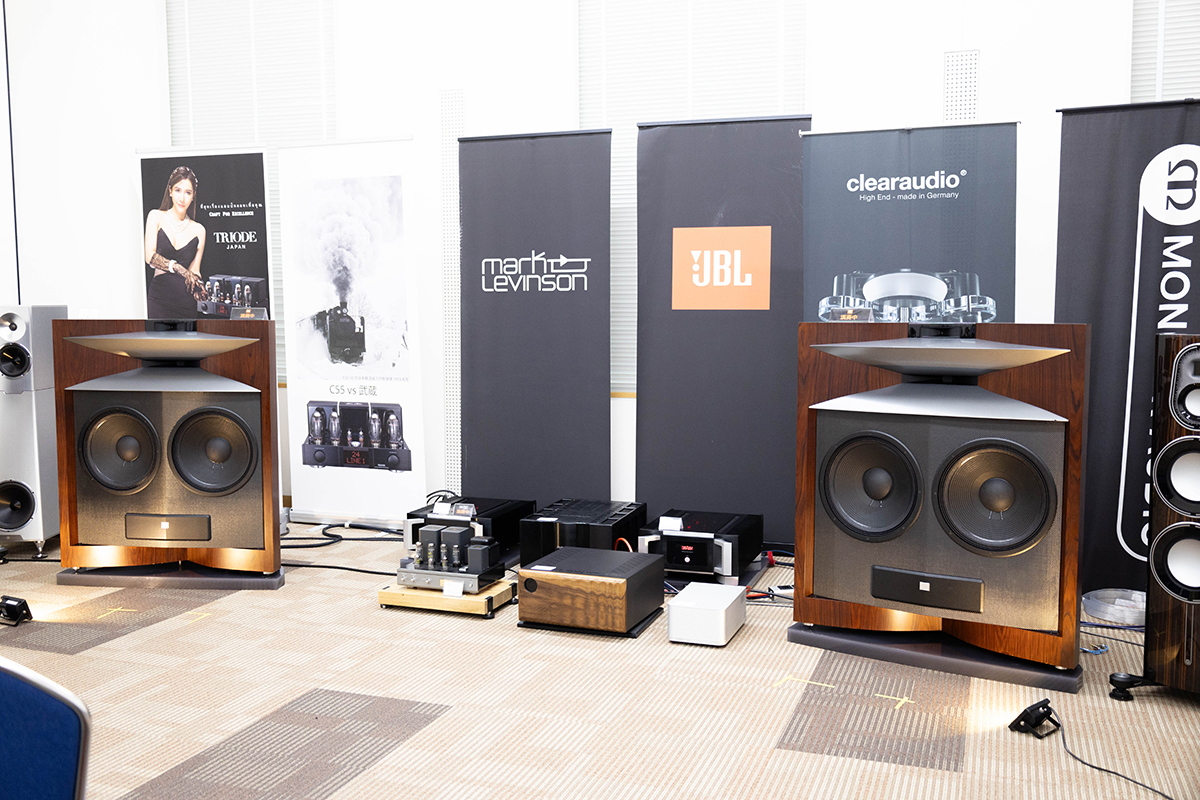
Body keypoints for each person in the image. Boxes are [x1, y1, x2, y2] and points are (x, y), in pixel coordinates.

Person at [145, 165, 207, 318]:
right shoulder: (156, 216)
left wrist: (198, 286)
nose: (182, 198)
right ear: (170, 191)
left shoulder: (199, 230)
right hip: (159, 300)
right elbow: (150, 257)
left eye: (188, 192)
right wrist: (178, 267)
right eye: (178, 190)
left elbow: (195, 271)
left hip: (186, 304)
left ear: (193, 196)